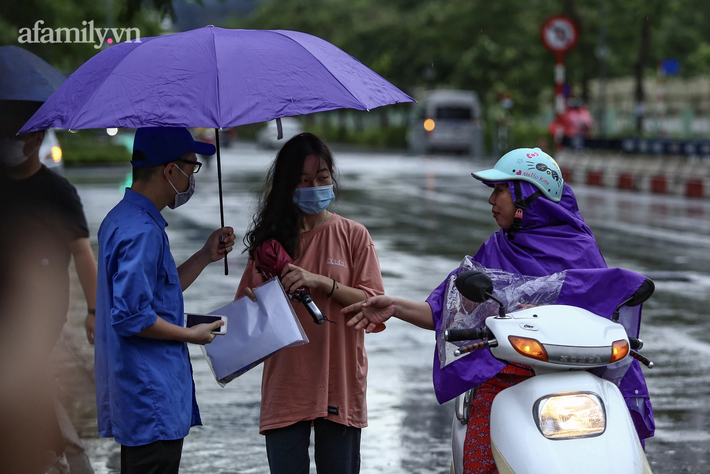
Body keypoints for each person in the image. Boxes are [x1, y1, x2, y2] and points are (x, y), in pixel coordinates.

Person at [343, 148, 654, 474]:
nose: (491, 199)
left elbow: (600, 307)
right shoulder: (496, 248)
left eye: (500, 190)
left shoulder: (579, 246)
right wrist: (393, 306)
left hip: (577, 380)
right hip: (505, 381)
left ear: (528, 196)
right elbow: (443, 313)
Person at [236, 133, 384, 474]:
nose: (314, 187)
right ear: (288, 185)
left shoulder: (354, 235)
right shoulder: (269, 246)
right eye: (303, 181)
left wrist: (321, 283)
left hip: (341, 382)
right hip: (287, 383)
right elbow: (249, 318)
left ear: (332, 178)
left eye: (322, 178)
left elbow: (374, 306)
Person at [94, 127, 235, 474]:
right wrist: (192, 335)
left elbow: (156, 294)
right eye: (192, 167)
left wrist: (204, 255)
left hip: (141, 396)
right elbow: (131, 316)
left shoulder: (123, 218)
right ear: (170, 170)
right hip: (150, 398)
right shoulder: (141, 232)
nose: (191, 177)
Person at [0, 106, 98, 473]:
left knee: (30, 377)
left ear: (37, 140)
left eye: (17, 135)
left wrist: (93, 311)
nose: (8, 143)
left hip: (41, 310)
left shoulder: (56, 192)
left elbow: (81, 252)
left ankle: (56, 455)